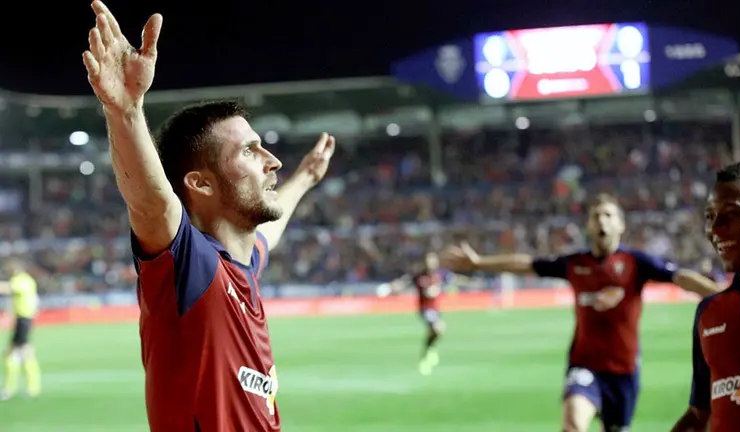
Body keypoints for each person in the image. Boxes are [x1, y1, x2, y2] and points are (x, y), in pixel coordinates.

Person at [82, 2, 334, 430]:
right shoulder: (191, 269)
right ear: (200, 184)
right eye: (249, 152)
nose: (272, 161)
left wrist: (306, 178)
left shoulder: (244, 262)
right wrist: (124, 110)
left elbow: (268, 235)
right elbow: (151, 202)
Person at [441, 193, 722, 432]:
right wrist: (479, 263)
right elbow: (527, 264)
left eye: (609, 215)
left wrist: (721, 296)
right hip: (584, 366)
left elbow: (680, 277)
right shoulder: (574, 264)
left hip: (623, 372)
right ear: (588, 225)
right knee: (574, 422)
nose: (602, 220)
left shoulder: (636, 263)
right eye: (596, 216)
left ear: (620, 225)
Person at [670, 160, 740, 432]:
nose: (715, 229)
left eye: (732, 214)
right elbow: (700, 414)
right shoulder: (709, 313)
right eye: (710, 217)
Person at [379, 252, 473, 375]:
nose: (431, 263)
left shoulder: (440, 274)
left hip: (436, 309)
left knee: (436, 332)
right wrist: (389, 288)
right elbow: (403, 283)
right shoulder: (419, 275)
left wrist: (470, 281)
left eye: (433, 260)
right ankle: (427, 352)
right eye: (429, 260)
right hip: (425, 309)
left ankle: (429, 350)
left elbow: (454, 279)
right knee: (438, 328)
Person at [0, 259, 41, 401]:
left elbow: (7, 288)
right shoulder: (27, 280)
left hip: (24, 320)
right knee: (23, 352)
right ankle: (31, 388)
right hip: (23, 320)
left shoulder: (22, 281)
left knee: (13, 353)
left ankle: (10, 389)